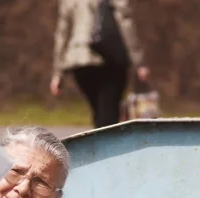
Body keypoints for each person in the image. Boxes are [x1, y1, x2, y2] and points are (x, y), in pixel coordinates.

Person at [50, 0, 150, 128]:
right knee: (109, 115)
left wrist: (58, 73)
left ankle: (99, 140)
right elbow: (126, 25)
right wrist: (139, 62)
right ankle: (107, 144)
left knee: (99, 111)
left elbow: (62, 34)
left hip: (80, 60)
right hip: (110, 59)